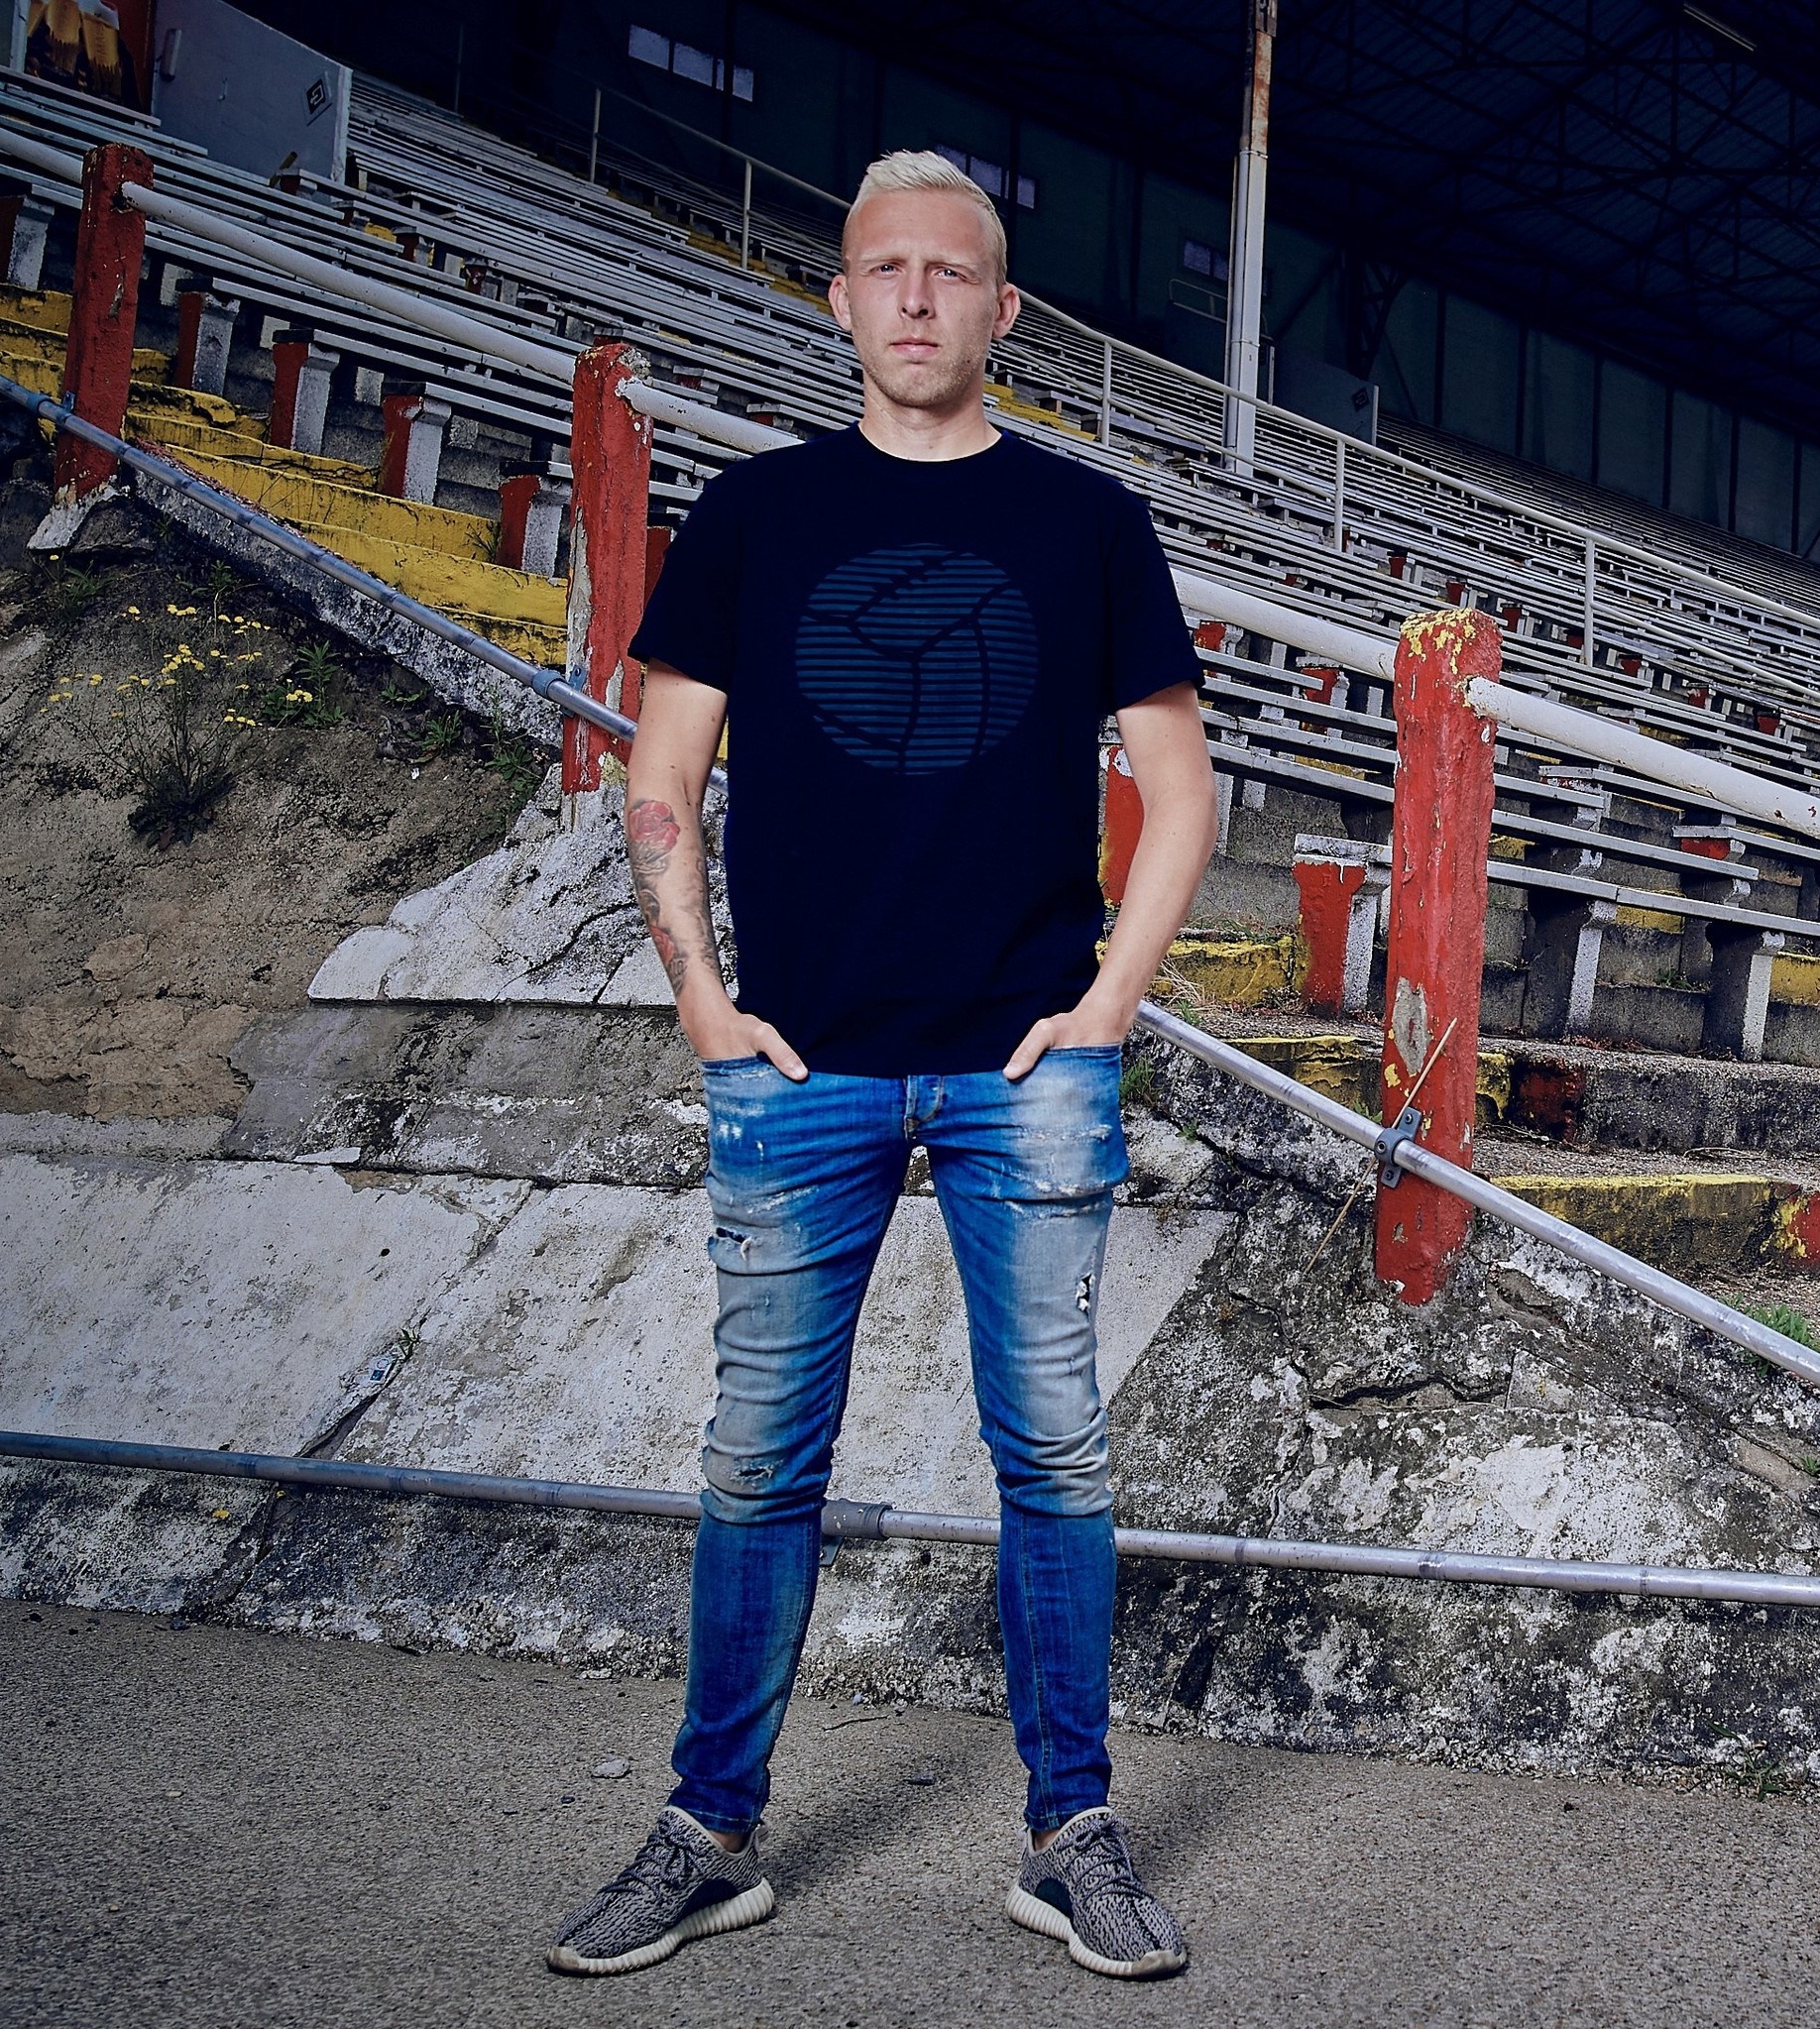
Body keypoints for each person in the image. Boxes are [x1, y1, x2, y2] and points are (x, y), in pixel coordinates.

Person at [547, 149, 1217, 1984]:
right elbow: (661, 777)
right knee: (761, 1456)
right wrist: (703, 1004)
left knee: (1054, 1454)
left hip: (1026, 1065)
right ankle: (710, 1836)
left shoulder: (1088, 521)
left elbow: (1180, 792)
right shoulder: (757, 514)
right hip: (801, 1064)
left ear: (1005, 310)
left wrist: (1110, 1005)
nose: (918, 297)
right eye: (886, 270)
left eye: (953, 272)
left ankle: (1071, 1834)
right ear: (840, 301)